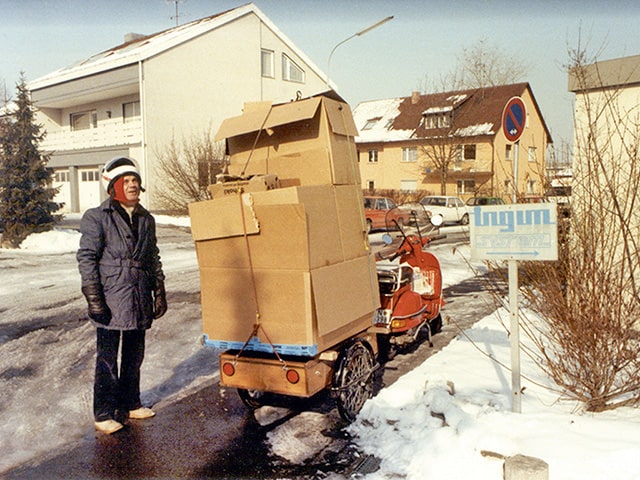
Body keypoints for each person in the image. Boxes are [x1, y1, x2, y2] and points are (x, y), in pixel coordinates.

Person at [77, 156, 167, 435]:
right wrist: (93, 296)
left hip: (138, 295)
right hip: (111, 297)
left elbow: (153, 257)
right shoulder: (96, 217)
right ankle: (104, 412)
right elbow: (87, 258)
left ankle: (130, 403)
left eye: (135, 181)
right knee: (107, 358)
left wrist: (159, 291)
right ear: (113, 186)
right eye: (126, 181)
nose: (133, 186)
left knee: (133, 355)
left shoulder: (145, 218)